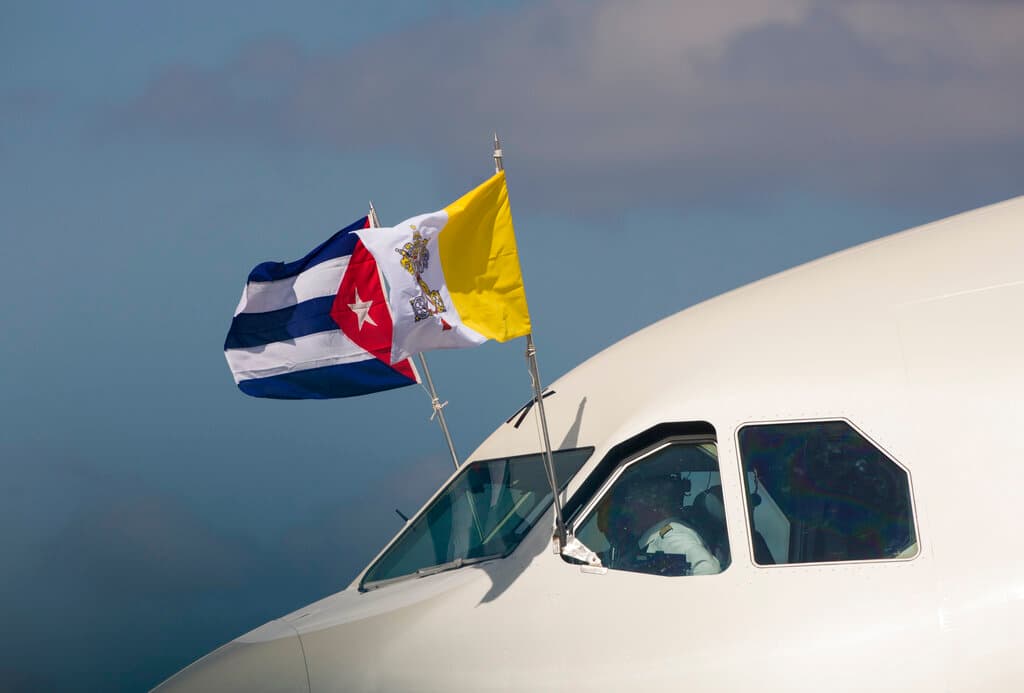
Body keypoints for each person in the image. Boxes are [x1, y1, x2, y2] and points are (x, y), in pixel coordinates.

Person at [605, 474, 721, 576]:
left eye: (631, 501)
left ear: (652, 503)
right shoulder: (658, 537)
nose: (626, 510)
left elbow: (708, 569)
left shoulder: (671, 536)